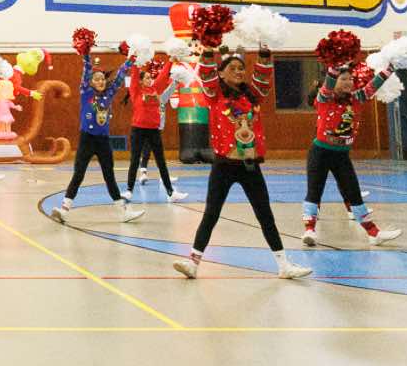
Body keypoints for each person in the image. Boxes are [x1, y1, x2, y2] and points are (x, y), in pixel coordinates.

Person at [172, 43, 313, 281]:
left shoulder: (252, 95)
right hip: (224, 165)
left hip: (250, 165)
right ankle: (193, 263)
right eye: (233, 68)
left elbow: (263, 79)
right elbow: (206, 74)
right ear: (221, 73)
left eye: (241, 68)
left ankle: (283, 265)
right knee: (211, 214)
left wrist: (265, 54)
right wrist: (208, 51)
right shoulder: (214, 94)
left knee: (265, 215)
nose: (239, 71)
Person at [301, 62, 400, 247]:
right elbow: (328, 84)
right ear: (334, 81)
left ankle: (373, 233)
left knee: (354, 193)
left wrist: (389, 69)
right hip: (320, 153)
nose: (348, 82)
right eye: (343, 79)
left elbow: (372, 86)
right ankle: (309, 230)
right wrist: (334, 67)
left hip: (342, 156)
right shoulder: (324, 97)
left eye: (350, 79)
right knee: (314, 192)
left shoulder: (356, 98)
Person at [55, 56, 140, 225]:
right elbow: (86, 72)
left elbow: (120, 76)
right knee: (79, 174)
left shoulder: (109, 94)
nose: (101, 81)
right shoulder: (86, 92)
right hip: (87, 139)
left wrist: (130, 60)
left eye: (102, 79)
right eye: (97, 79)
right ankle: (64, 209)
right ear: (91, 82)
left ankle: (123, 213)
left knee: (109, 176)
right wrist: (86, 55)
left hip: (103, 141)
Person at [121, 53, 185, 201]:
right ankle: (129, 191)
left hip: (153, 130)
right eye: (147, 78)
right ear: (141, 81)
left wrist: (170, 61)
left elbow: (162, 76)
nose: (150, 80)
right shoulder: (136, 90)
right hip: (138, 129)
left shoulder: (155, 89)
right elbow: (134, 75)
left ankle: (171, 193)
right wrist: (136, 60)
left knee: (161, 161)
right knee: (134, 160)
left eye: (150, 77)